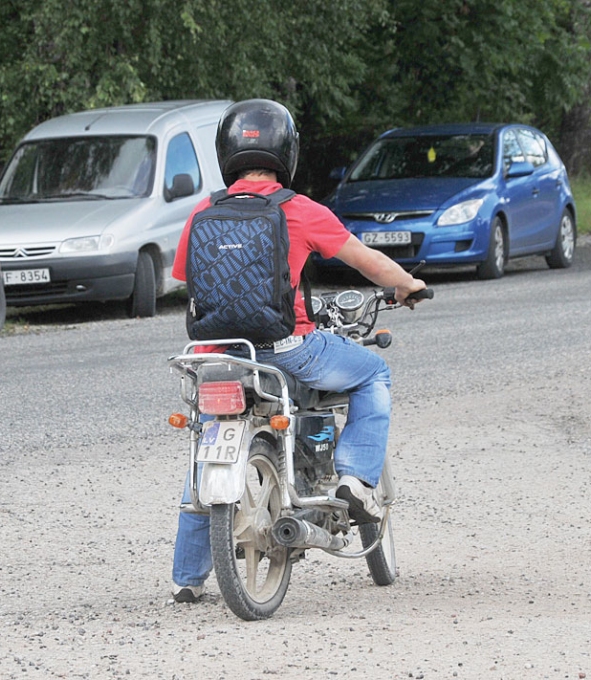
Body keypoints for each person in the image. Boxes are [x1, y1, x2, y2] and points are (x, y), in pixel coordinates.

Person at [169, 99, 427, 603]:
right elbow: (365, 260)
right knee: (373, 373)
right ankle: (354, 479)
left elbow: (185, 278)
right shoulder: (300, 209)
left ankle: (186, 578)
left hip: (215, 357)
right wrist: (407, 285)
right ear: (286, 150)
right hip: (286, 349)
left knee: (207, 446)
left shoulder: (203, 211)